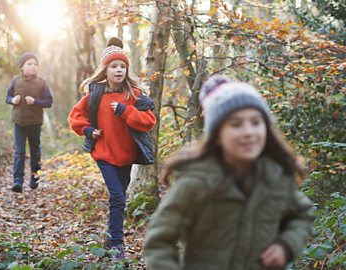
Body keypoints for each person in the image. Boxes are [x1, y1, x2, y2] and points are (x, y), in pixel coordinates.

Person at [143, 75, 314, 269]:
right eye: (236, 124)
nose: (248, 131)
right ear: (217, 136)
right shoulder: (196, 181)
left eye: (256, 122)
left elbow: (303, 215)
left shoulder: (276, 178)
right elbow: (159, 241)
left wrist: (286, 245)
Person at [68, 38, 156, 259]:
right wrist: (88, 131)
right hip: (104, 154)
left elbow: (149, 121)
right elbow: (75, 117)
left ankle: (109, 239)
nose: (119, 70)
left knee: (120, 197)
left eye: (123, 66)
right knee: (117, 196)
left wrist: (126, 111)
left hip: (126, 155)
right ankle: (117, 243)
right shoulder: (95, 94)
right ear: (105, 70)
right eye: (114, 66)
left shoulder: (134, 95)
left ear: (127, 70)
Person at [6, 52, 53, 193]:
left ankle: (35, 177)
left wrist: (35, 102)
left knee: (35, 151)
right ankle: (18, 181)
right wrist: (12, 100)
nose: (33, 67)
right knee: (19, 152)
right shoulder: (15, 81)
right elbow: (7, 97)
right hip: (19, 122)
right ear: (22, 67)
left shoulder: (41, 83)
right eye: (30, 64)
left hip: (35, 123)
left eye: (35, 64)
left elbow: (49, 102)